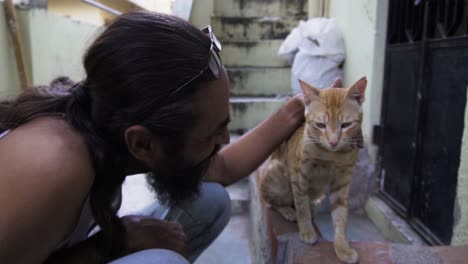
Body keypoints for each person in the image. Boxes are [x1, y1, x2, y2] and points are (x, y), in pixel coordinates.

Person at [0, 11, 304, 264]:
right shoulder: (51, 165)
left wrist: (299, 109)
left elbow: (221, 168)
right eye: (214, 132)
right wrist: (108, 245)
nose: (224, 139)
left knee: (209, 202)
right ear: (143, 144)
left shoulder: (107, 117)